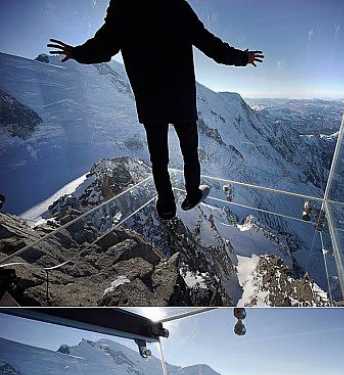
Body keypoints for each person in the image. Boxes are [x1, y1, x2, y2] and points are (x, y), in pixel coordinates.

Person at [48, 5, 263, 221]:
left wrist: (77, 52)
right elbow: (210, 44)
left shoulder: (124, 10)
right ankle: (192, 194)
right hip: (181, 97)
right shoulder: (177, 7)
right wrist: (242, 58)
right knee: (190, 152)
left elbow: (102, 47)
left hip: (151, 100)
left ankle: (166, 205)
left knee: (159, 159)